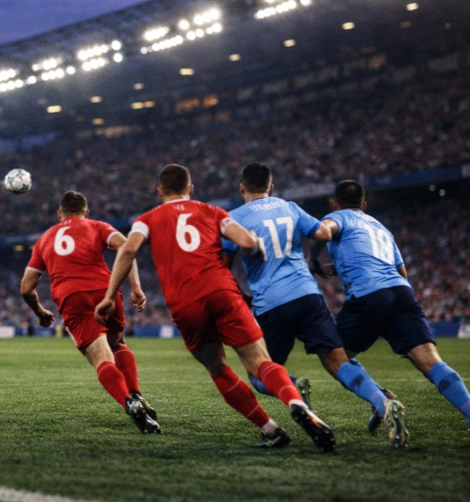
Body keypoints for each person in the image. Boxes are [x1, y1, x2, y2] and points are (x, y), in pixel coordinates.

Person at [95, 164, 336, 451]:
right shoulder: (212, 211)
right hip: (222, 292)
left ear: (160, 192)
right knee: (261, 362)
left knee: (218, 367)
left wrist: (111, 295)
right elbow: (247, 241)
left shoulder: (146, 219)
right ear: (191, 189)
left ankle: (270, 429)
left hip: (186, 303)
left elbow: (129, 249)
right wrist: (253, 247)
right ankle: (296, 403)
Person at [222, 164, 406, 446]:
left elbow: (223, 266)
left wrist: (241, 296)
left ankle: (293, 385)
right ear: (271, 188)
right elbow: (322, 232)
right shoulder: (290, 207)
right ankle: (382, 402)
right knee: (337, 362)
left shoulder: (233, 217)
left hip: (271, 302)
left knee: (260, 371)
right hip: (308, 295)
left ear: (241, 188)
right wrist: (314, 260)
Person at [312, 180, 470, 445]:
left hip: (368, 296)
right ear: (364, 206)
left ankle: (381, 400)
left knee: (333, 356)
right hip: (402, 294)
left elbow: (322, 231)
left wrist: (312, 258)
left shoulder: (337, 216)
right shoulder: (382, 228)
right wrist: (338, 265)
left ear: (334, 204)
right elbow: (401, 272)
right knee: (431, 362)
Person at [20, 190, 161, 433]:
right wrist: (135, 287)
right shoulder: (96, 225)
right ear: (86, 212)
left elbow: (26, 288)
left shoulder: (44, 239)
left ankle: (129, 403)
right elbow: (127, 248)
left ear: (59, 214)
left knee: (100, 358)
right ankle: (136, 393)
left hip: (72, 297)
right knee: (117, 344)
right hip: (105, 291)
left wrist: (40, 312)